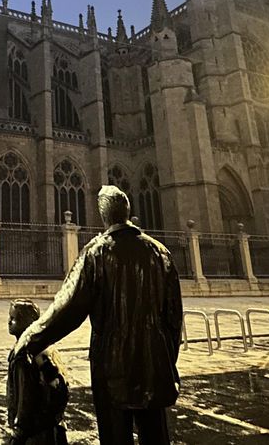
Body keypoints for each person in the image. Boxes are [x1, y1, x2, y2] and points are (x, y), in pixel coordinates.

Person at [11, 186, 183, 445]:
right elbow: (174, 316)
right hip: (153, 359)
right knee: (156, 433)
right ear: (127, 212)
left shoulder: (98, 252)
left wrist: (32, 336)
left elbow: (68, 307)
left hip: (111, 363)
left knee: (115, 434)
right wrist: (165, 357)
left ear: (104, 217)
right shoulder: (160, 252)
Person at [6, 299, 69, 445]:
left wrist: (18, 432)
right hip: (50, 426)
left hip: (35, 432)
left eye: (14, 318)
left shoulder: (24, 356)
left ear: (28, 323)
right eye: (10, 317)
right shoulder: (43, 346)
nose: (9, 322)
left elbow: (25, 398)